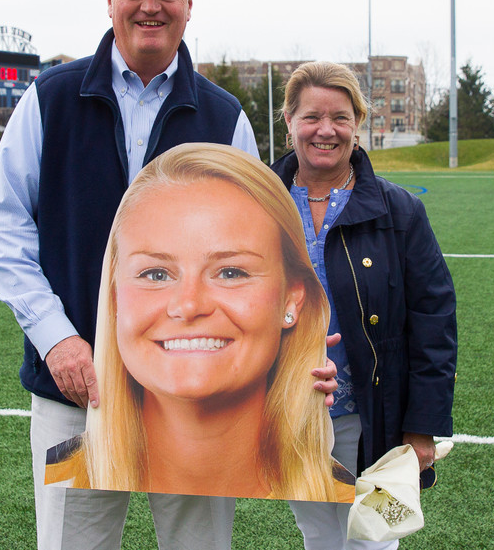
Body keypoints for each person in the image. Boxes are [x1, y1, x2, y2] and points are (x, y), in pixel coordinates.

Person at [0, 0, 336, 550]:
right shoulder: (49, 100)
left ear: (189, 3)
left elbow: (261, 255)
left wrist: (294, 355)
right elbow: (3, 227)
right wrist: (58, 340)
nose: (151, 6)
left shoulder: (225, 119)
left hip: (199, 394)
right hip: (76, 387)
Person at [44, 143, 356, 503]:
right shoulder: (64, 475)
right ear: (114, 297)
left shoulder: (339, 497)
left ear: (292, 299)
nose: (188, 305)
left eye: (230, 271)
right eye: (156, 273)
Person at [271, 62, 458, 550]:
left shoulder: (399, 211)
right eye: (311, 116)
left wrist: (422, 427)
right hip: (288, 410)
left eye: (340, 117)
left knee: (373, 541)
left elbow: (434, 321)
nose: (325, 130)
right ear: (288, 120)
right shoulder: (256, 204)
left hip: (369, 413)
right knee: (320, 537)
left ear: (359, 122)